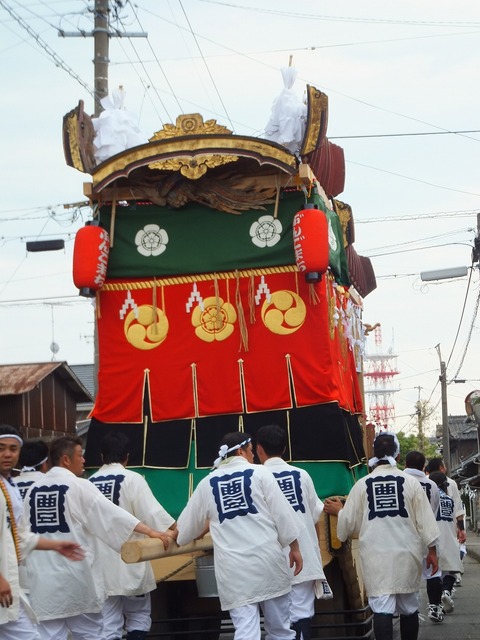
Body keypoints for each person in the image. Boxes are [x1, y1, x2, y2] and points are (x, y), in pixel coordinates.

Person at [22, 435, 172, 640]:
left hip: (43, 580)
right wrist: (151, 531)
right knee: (93, 633)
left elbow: (22, 534)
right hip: (77, 574)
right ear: (66, 459)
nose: (83, 460)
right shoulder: (78, 485)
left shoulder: (32, 490)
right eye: (79, 455)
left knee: (51, 635)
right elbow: (112, 515)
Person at [176, 431, 303, 640]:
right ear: (240, 452)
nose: (253, 455)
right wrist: (295, 548)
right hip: (267, 561)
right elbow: (283, 514)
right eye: (251, 451)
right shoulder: (261, 473)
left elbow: (183, 533)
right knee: (280, 630)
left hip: (234, 571)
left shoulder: (207, 483)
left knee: (246, 631)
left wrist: (172, 534)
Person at [323, 432, 439, 640]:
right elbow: (425, 520)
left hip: (376, 557)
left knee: (382, 608)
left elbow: (346, 526)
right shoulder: (410, 483)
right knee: (409, 607)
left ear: (373, 454)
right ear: (398, 454)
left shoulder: (362, 485)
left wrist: (340, 511)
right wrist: (432, 551)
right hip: (407, 554)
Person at [88, 431, 176, 640]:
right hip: (131, 559)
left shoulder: (88, 483)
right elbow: (152, 513)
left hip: (99, 564)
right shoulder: (133, 479)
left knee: (108, 622)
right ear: (127, 456)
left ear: (102, 456)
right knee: (138, 616)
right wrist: (177, 530)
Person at [0, 425, 84, 640]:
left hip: (10, 580)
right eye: (1, 448)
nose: (7, 454)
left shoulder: (9, 486)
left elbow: (19, 536)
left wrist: (56, 545)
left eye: (13, 449)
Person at [255, 424, 332, 640]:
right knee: (302, 613)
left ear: (259, 449)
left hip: (268, 558)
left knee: (276, 623)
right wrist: (315, 552)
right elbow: (315, 517)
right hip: (303, 555)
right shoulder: (301, 475)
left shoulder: (254, 477)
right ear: (284, 448)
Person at [403, 450, 443, 623]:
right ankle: (434, 607)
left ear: (405, 464)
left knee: (408, 575)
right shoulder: (432, 485)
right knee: (433, 573)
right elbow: (434, 510)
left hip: (406, 536)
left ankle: (412, 611)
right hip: (427, 536)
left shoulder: (401, 482)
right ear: (423, 467)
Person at [428, 471, 464, 615]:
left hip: (433, 540)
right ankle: (447, 592)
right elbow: (457, 518)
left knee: (434, 574)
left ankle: (435, 605)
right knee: (451, 570)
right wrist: (461, 530)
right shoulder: (449, 500)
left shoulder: (428, 499)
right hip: (449, 538)